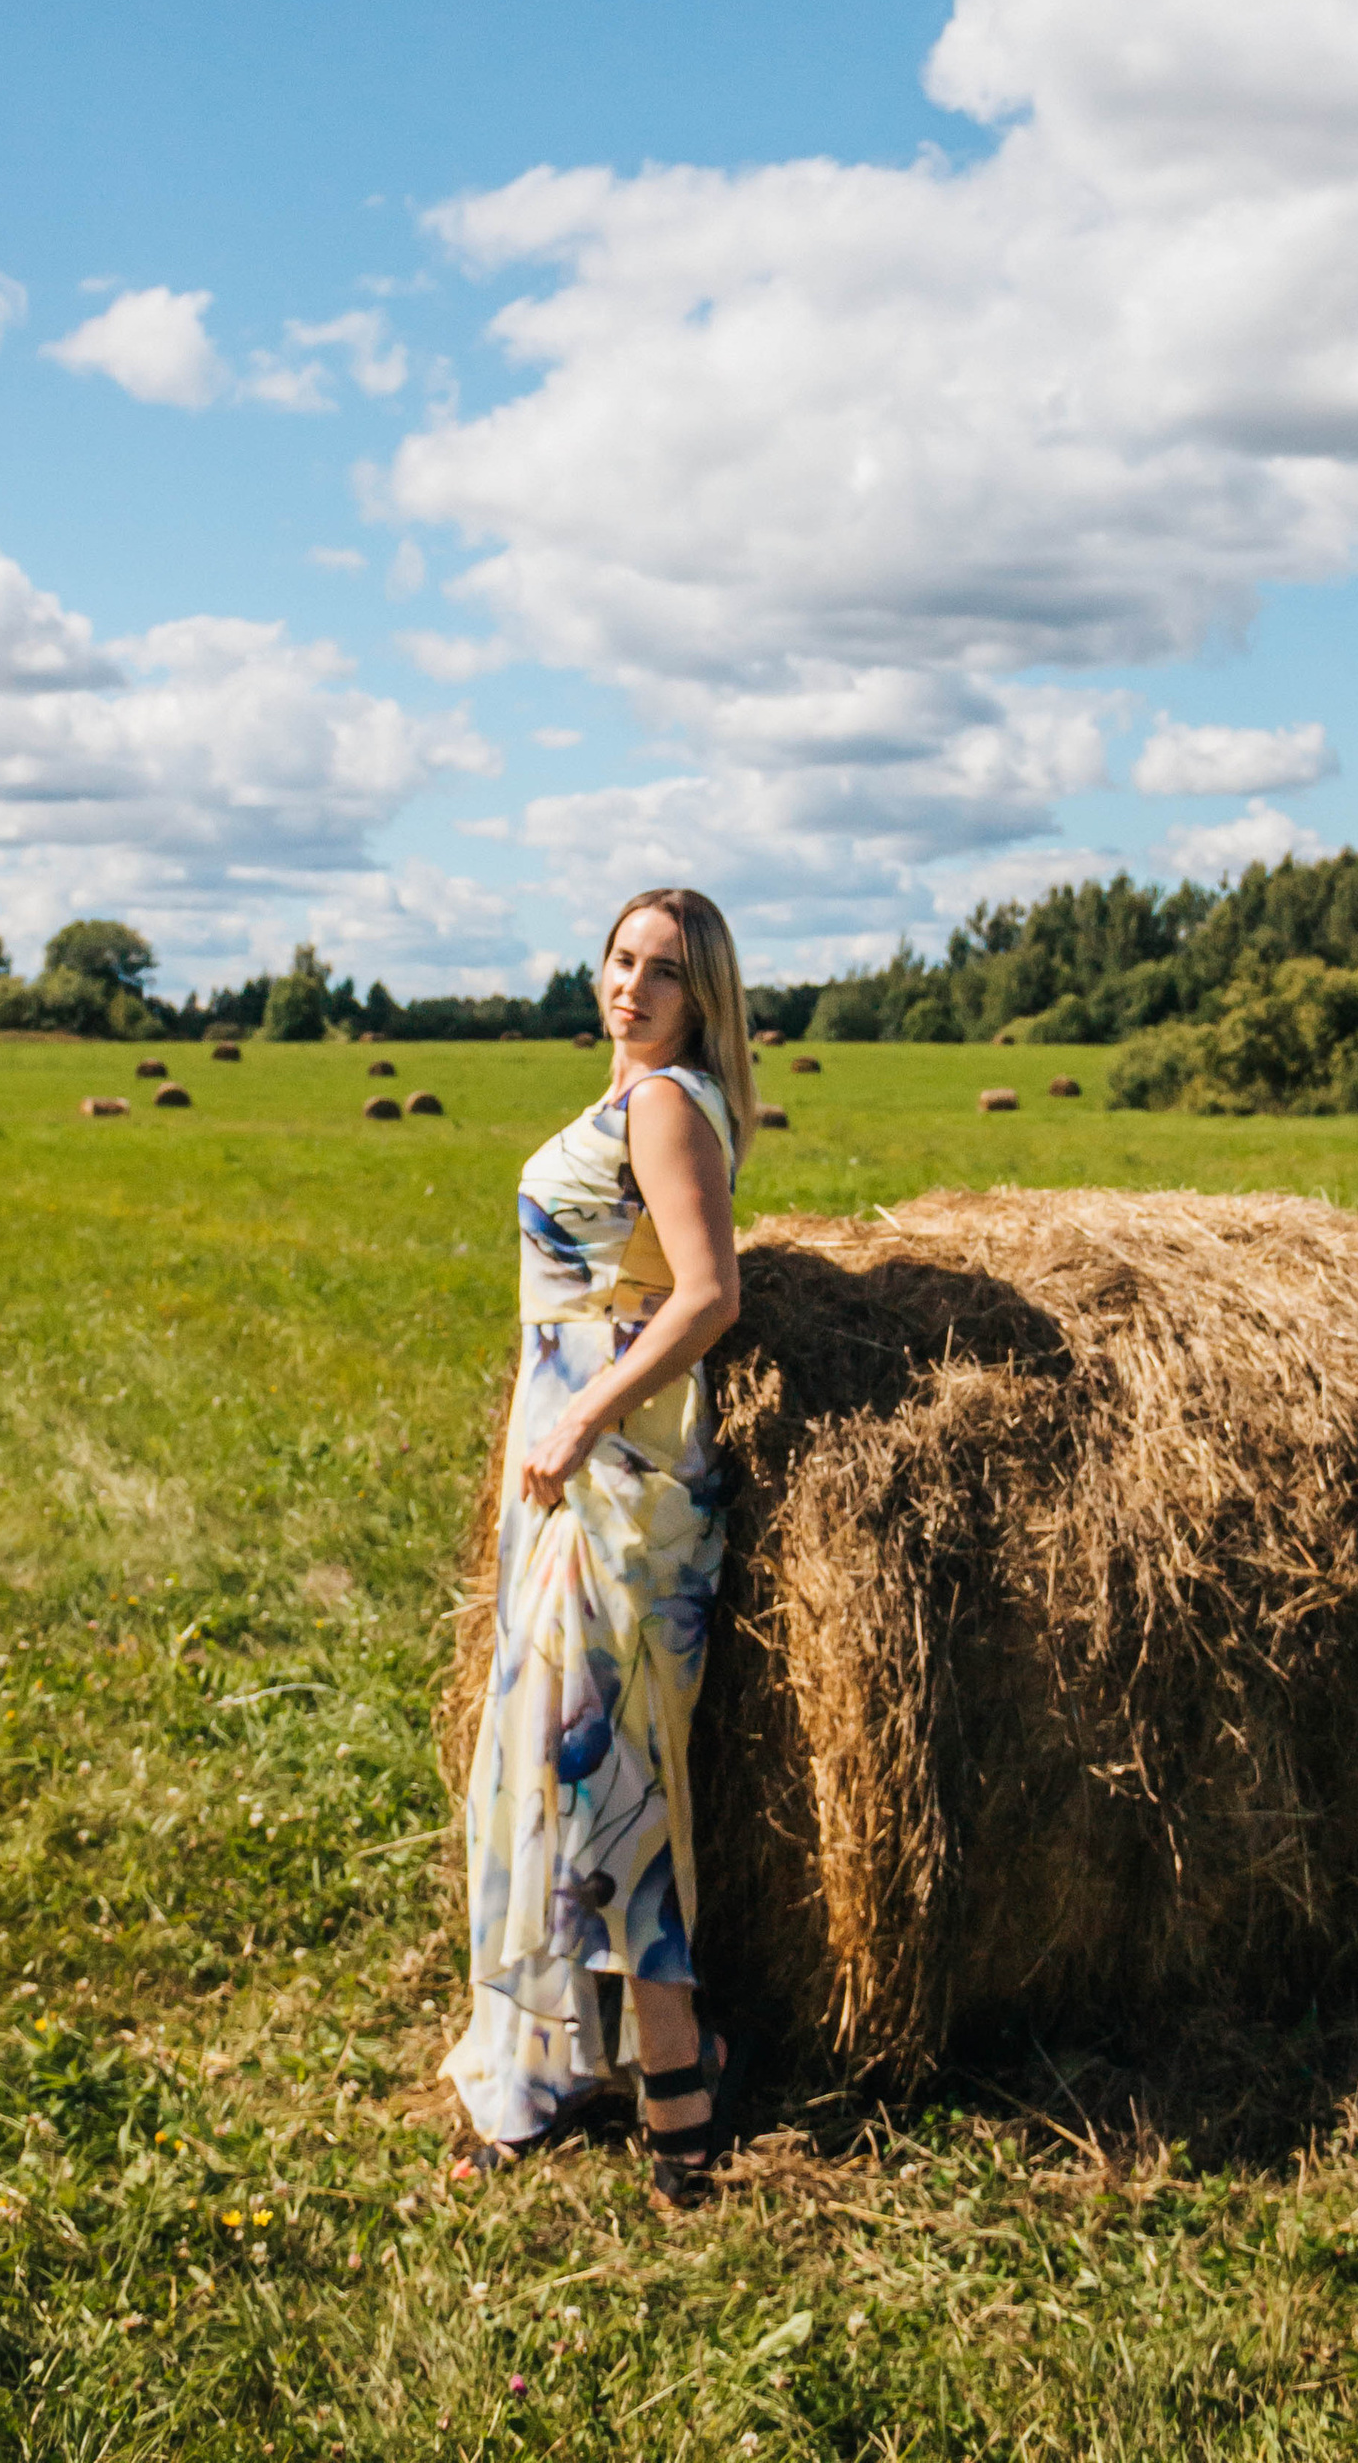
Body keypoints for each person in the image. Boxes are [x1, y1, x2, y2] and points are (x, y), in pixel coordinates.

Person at [442, 884, 755, 2205]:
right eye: (619, 960)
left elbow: (708, 1294)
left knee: (603, 1777)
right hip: (570, 1471)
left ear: (702, 996)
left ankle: (677, 2083)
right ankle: (566, 2059)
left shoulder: (669, 1102)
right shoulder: (643, 1098)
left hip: (617, 1477)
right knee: (568, 1768)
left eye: (663, 971)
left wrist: (580, 1420)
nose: (630, 985)